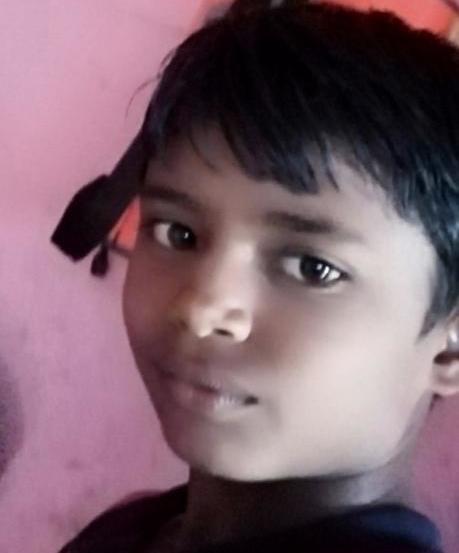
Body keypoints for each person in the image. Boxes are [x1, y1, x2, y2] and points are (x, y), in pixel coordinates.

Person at [55, 0, 459, 551]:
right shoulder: (134, 529)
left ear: (448, 347)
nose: (203, 308)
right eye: (178, 234)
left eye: (313, 268)